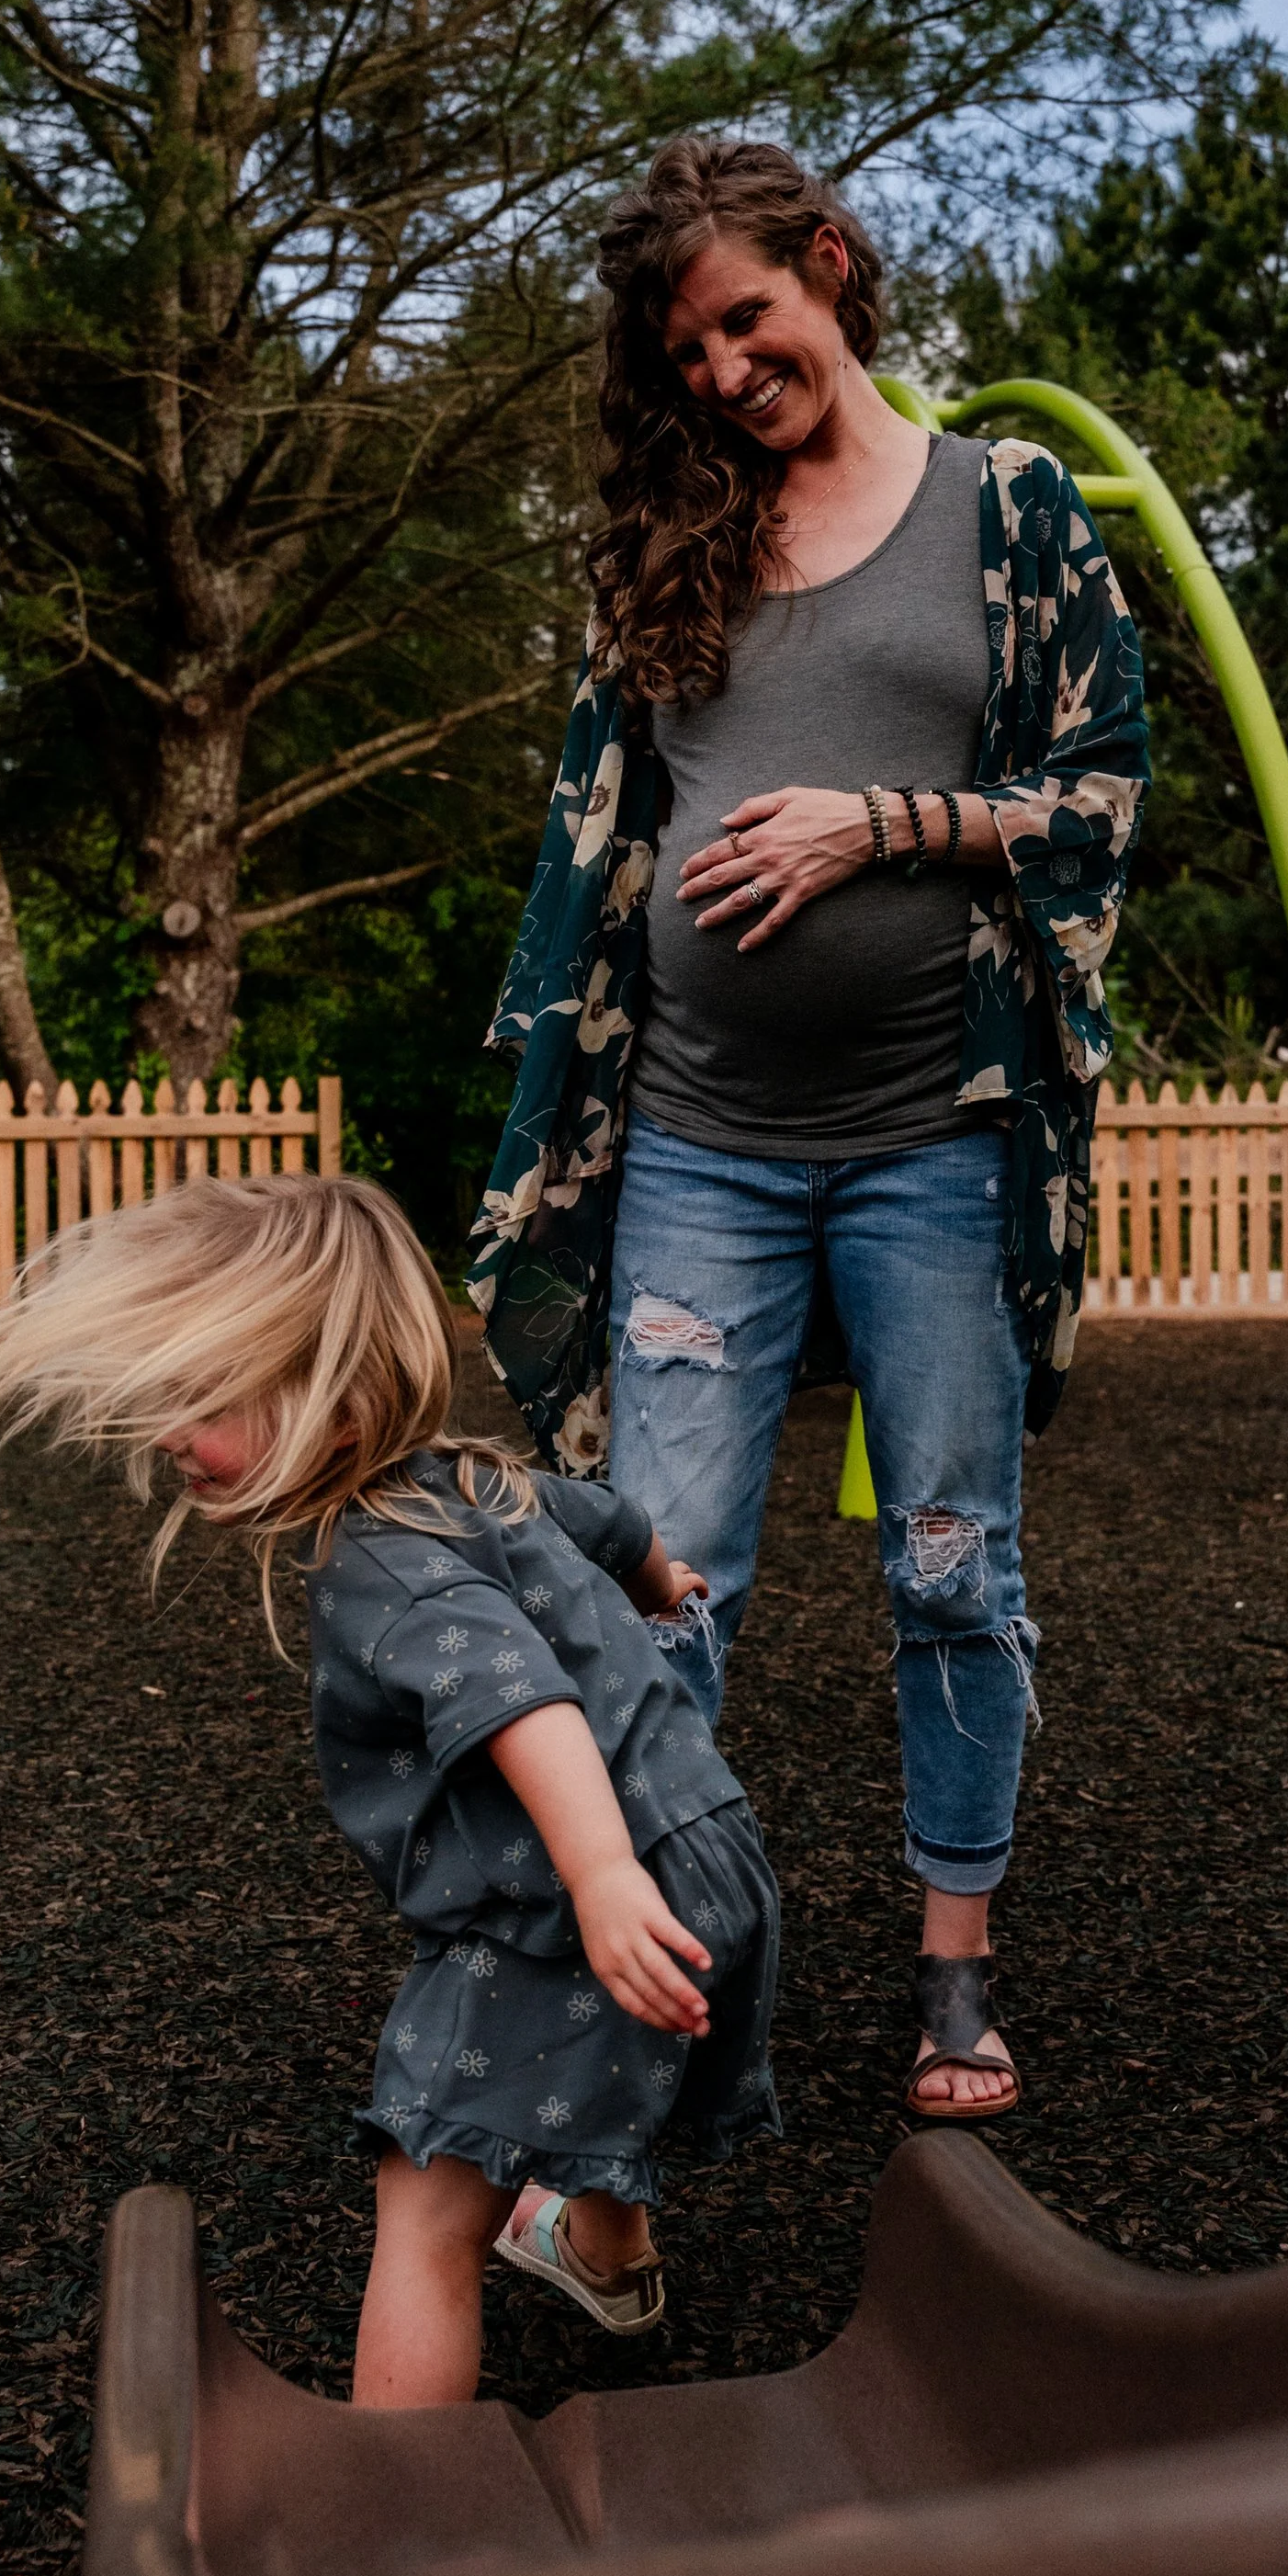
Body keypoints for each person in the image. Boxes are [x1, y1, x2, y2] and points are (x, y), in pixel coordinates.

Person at [470, 136, 1148, 2124]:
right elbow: (601, 845)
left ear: (829, 273)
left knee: (949, 1560)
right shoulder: (663, 549)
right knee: (670, 1570)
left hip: (932, 1145)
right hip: (692, 1145)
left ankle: (952, 1966)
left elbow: (1096, 800)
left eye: (741, 320)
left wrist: (887, 820)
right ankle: (665, 1964)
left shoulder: (1003, 510)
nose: (715, 371)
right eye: (681, 349)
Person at [0, 1172, 780, 2408]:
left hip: (579, 1891)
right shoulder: (473, 1478)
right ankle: (609, 2256)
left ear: (332, 1409)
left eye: (202, 1399)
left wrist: (601, 1879)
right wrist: (663, 1581)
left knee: (427, 2201)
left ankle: (400, 2502)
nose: (173, 1431)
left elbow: (523, 1701)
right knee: (599, 2060)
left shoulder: (382, 1561)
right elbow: (610, 1517)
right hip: (715, 1857)